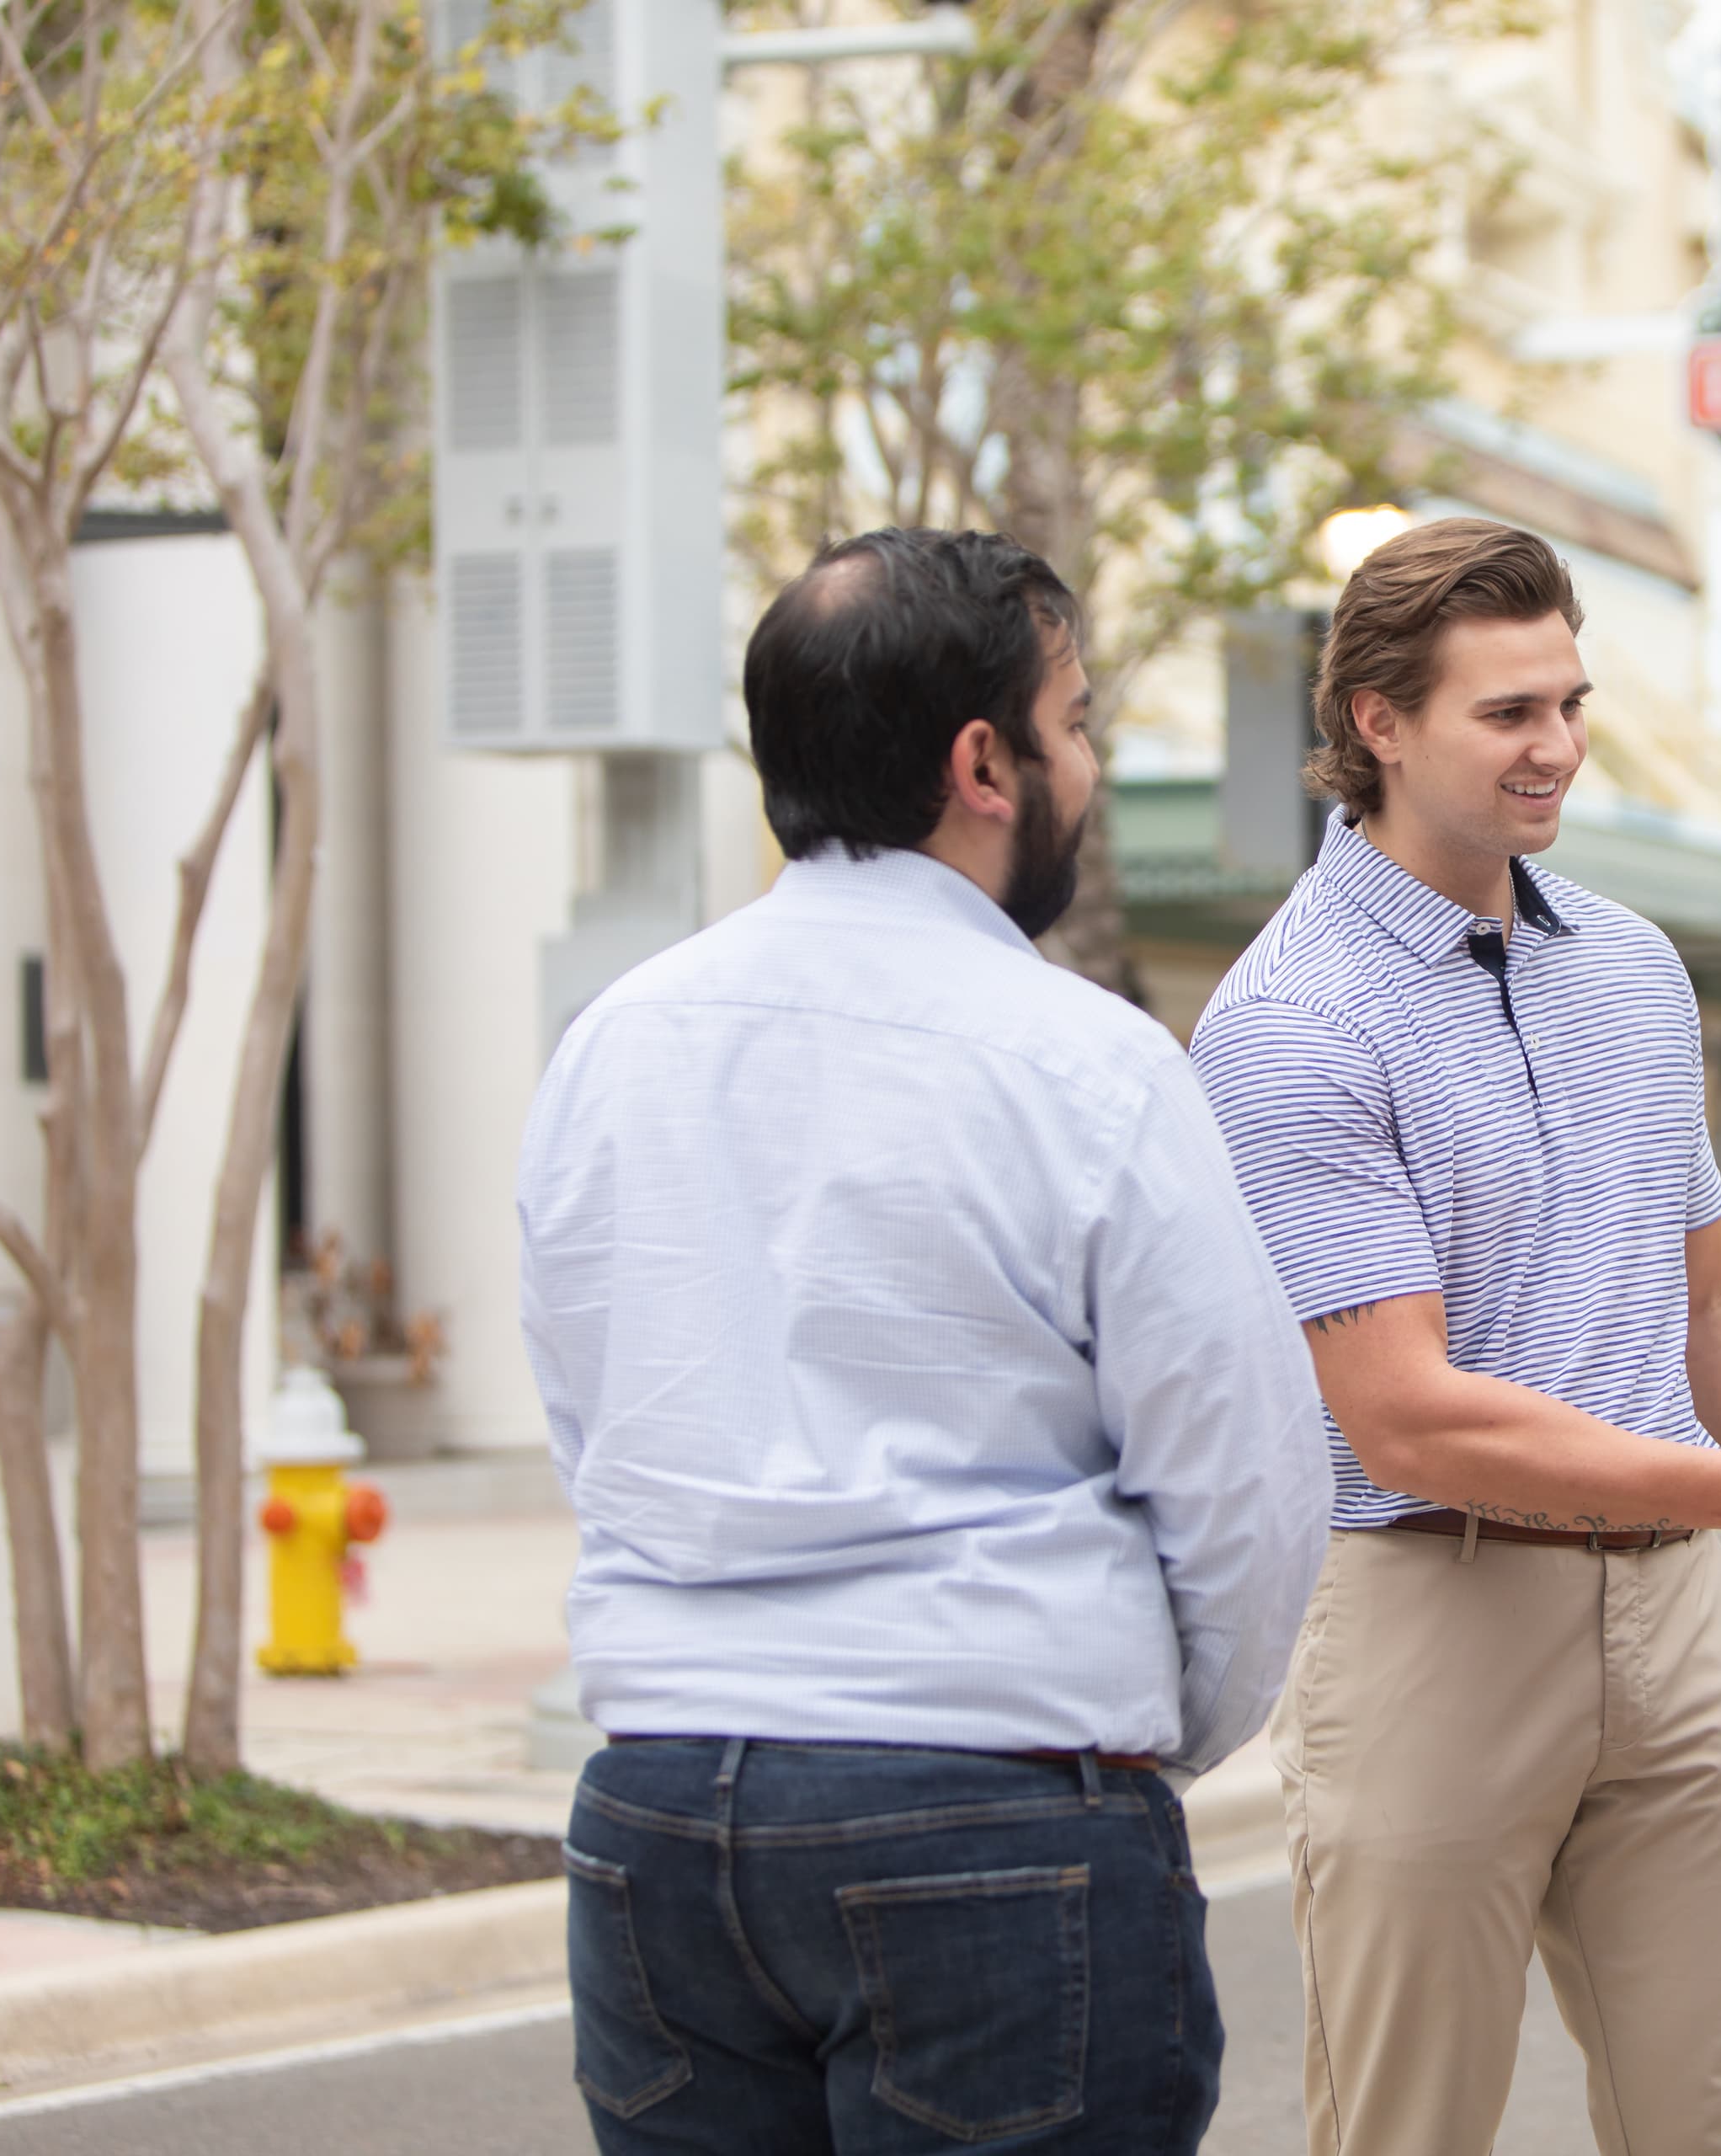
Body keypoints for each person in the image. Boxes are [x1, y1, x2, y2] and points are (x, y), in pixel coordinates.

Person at [516, 528, 1332, 2156]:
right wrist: (1135, 1743)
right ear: (985, 764)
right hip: (993, 1803)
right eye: (1077, 723)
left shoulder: (611, 1044)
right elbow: (1246, 1480)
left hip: (661, 1815)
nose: (1087, 765)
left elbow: (587, 1412)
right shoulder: (1084, 1063)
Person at [1186, 516, 1721, 2156]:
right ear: (1378, 721)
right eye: (1509, 711)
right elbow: (1407, 1416)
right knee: (1410, 2128)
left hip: (1674, 1621)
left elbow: (1716, 1294)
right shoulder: (1289, 1018)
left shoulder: (1640, 973)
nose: (1561, 746)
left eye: (1571, 701)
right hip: (1431, 1610)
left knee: (1716, 2120)